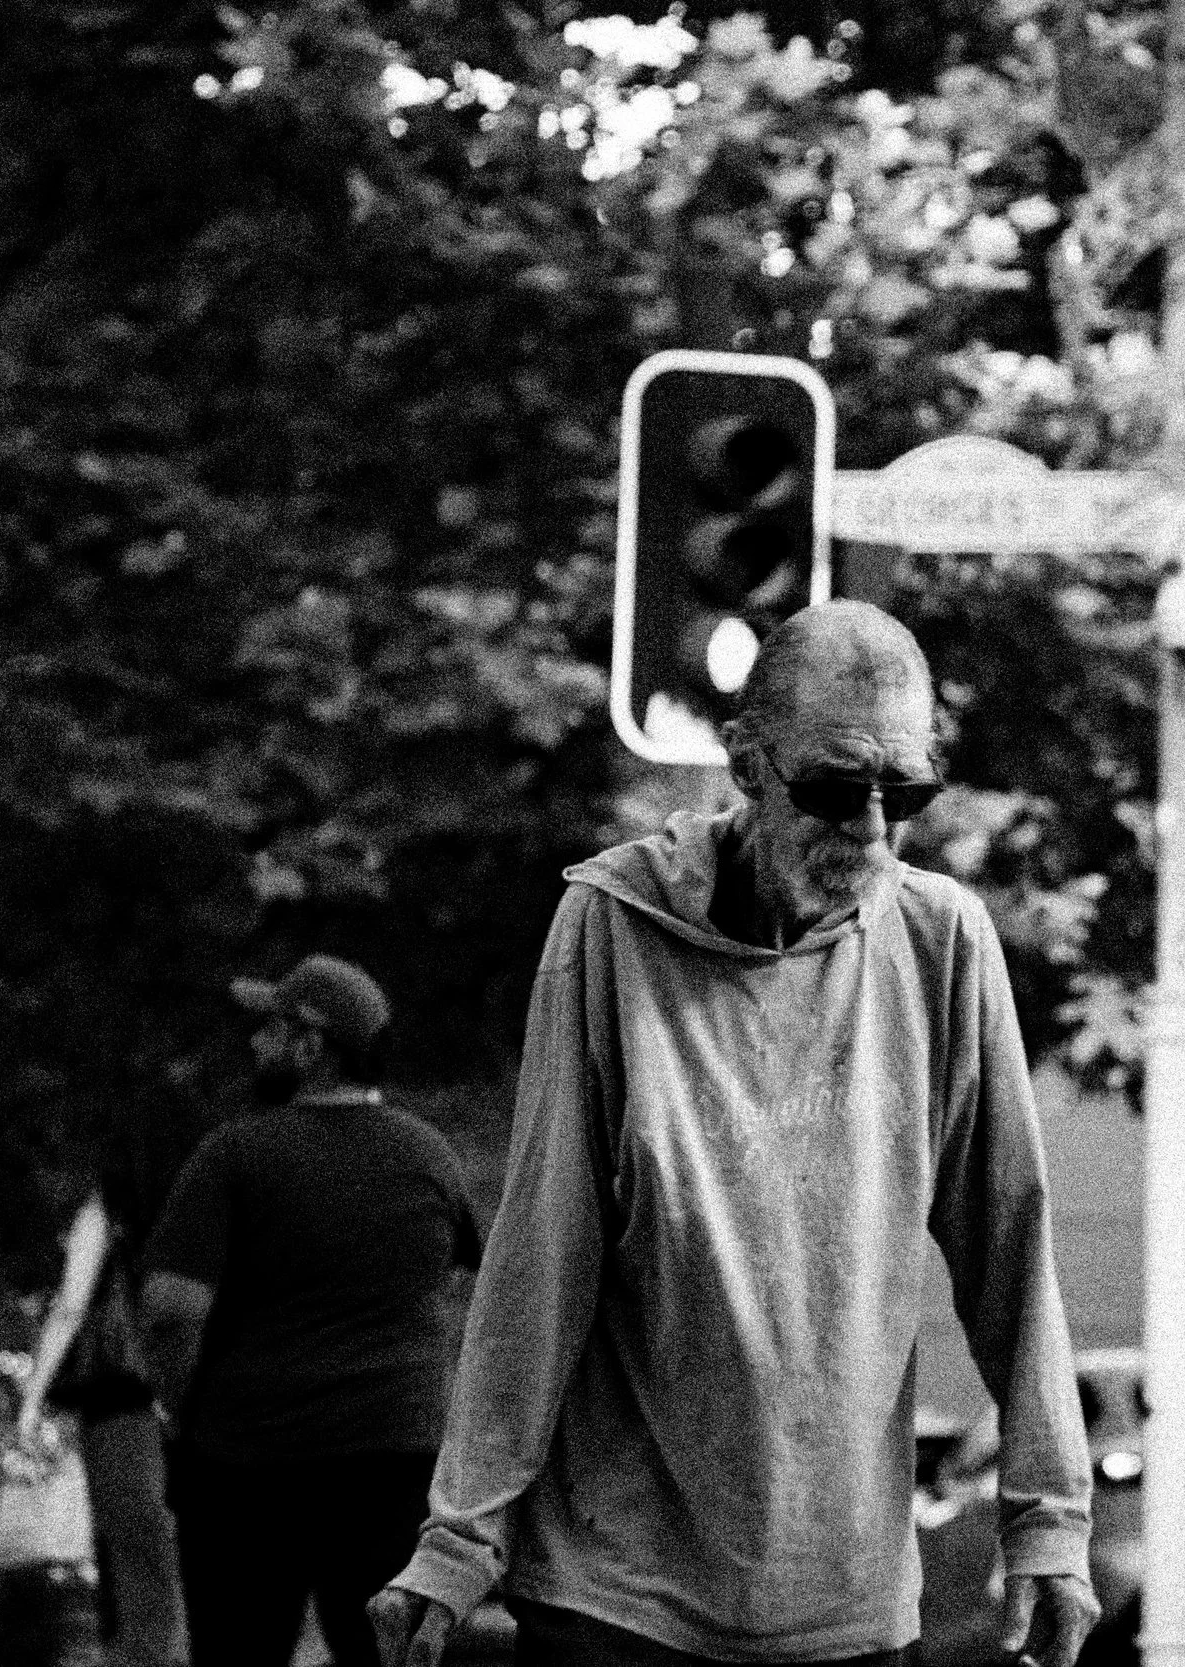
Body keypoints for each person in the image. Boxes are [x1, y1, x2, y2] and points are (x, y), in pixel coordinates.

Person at [367, 601, 1098, 1667]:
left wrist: (1049, 1520)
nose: (873, 828)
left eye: (907, 792)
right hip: (616, 1589)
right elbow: (543, 1245)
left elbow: (1010, 1246)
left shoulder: (942, 941)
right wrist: (460, 1532)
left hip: (838, 1592)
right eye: (836, 789)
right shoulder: (612, 922)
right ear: (747, 763)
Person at [142, 954, 481, 1667]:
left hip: (248, 1470)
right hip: (395, 1465)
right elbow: (489, 1290)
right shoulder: (431, 1156)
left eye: (269, 1028)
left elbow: (172, 1310)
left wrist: (183, 1413)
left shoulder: (236, 1153)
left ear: (309, 1046)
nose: (253, 1044)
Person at [21, 1189, 186, 1667]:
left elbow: (72, 1305)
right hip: (128, 1401)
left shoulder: (97, 1210)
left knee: (134, 1530)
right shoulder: (137, 1207)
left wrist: (32, 1395)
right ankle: (149, 1645)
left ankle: (150, 1648)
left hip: (118, 1400)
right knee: (135, 1532)